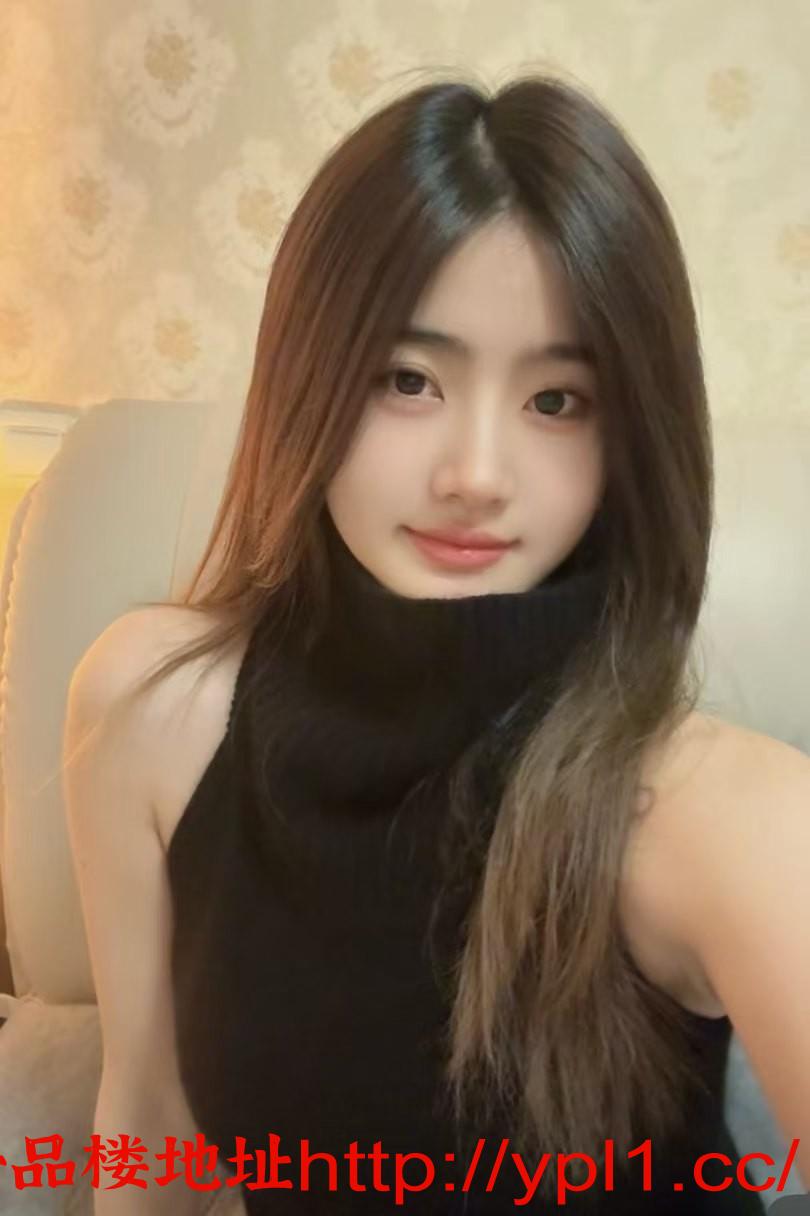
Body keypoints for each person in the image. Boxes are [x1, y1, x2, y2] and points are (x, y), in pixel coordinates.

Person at [63, 70, 809, 1215]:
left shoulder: (711, 808)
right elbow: (149, 1111)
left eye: (557, 401)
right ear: (307, 380)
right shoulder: (152, 710)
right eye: (407, 380)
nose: (475, 474)